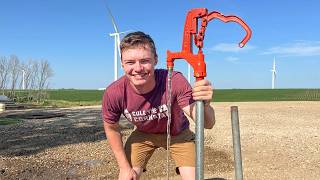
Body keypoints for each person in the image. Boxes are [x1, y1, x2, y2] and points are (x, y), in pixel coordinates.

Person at [102, 31, 215, 180]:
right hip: (143, 135)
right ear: (122, 63)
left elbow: (207, 124)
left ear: (155, 60)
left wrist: (205, 105)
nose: (138, 68)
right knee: (127, 177)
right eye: (130, 62)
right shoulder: (114, 93)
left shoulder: (174, 80)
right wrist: (124, 168)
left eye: (144, 61)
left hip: (178, 134)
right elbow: (111, 128)